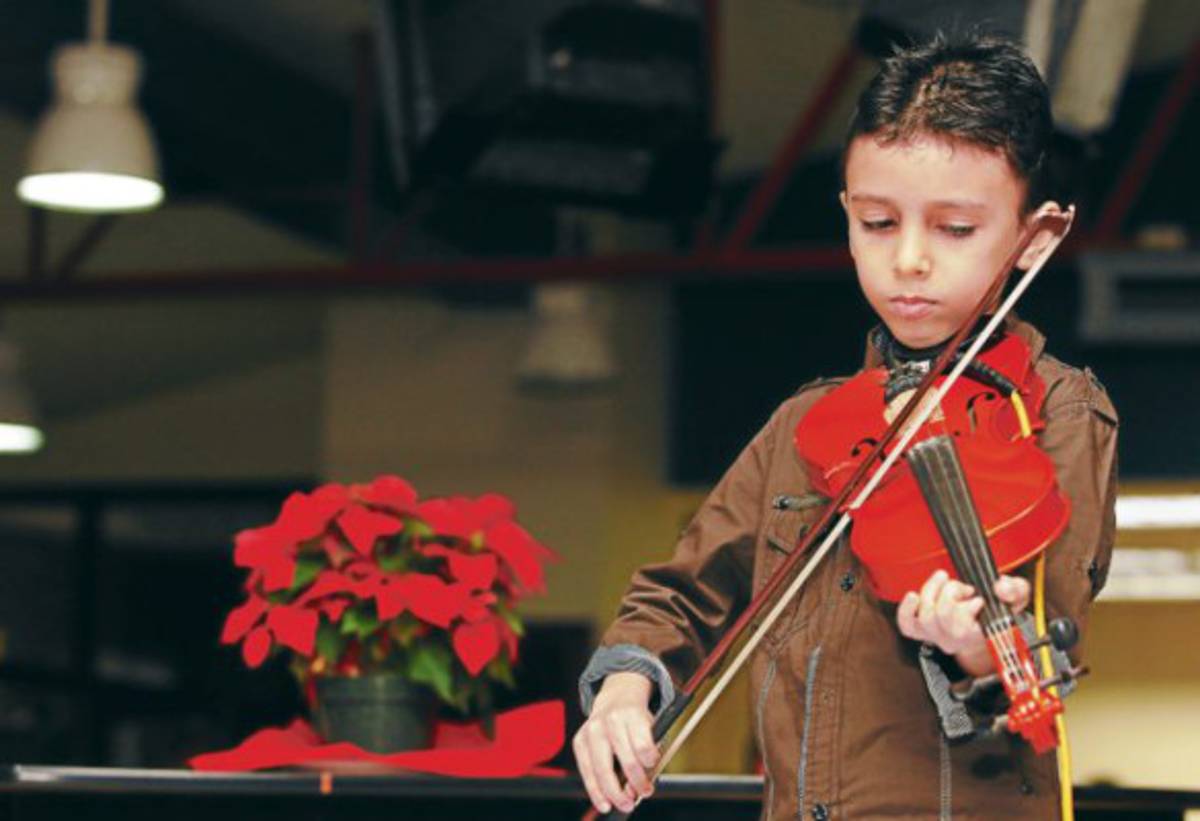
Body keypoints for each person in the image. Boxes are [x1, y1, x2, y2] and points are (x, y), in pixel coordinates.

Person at [573, 32, 1119, 819]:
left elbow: (1048, 622)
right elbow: (679, 594)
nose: (909, 259)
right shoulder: (808, 424)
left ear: (1034, 238)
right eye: (878, 221)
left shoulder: (1058, 408)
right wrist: (626, 688)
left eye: (955, 229)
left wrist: (975, 647)